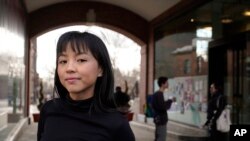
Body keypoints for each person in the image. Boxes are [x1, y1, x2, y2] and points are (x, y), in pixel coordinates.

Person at [37, 31, 135, 141]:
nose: (69, 68)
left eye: (81, 60)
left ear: (101, 69)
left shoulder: (117, 123)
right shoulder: (49, 109)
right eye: (63, 61)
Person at [152, 76, 175, 141]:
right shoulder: (159, 94)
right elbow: (163, 107)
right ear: (162, 84)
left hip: (158, 119)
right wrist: (170, 101)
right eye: (167, 82)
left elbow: (158, 105)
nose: (168, 84)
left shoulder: (156, 94)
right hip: (161, 120)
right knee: (161, 138)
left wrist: (168, 101)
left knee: (158, 137)